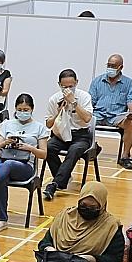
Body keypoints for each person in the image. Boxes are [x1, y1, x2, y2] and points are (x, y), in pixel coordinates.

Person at [0, 93, 48, 230]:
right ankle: (2, 219)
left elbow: (44, 154)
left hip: (25, 166)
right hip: (5, 160)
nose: (22, 112)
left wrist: (30, 148)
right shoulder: (7, 124)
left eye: (26, 110)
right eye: (20, 110)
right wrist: (6, 142)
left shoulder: (39, 128)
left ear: (32, 109)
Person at [42, 68, 95, 201]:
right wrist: (58, 112)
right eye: (64, 87)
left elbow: (87, 118)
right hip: (60, 134)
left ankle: (55, 185)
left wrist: (73, 102)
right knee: (48, 147)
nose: (67, 90)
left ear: (76, 83)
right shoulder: (54, 99)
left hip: (81, 135)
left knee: (74, 150)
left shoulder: (84, 97)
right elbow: (48, 124)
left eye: (71, 86)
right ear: (59, 85)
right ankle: (63, 177)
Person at [89, 53, 132, 169]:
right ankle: (91, 148)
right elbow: (90, 101)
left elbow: (131, 100)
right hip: (98, 114)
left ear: (120, 67)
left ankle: (125, 157)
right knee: (83, 120)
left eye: (113, 66)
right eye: (109, 65)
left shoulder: (128, 83)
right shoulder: (97, 81)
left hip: (117, 116)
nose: (110, 68)